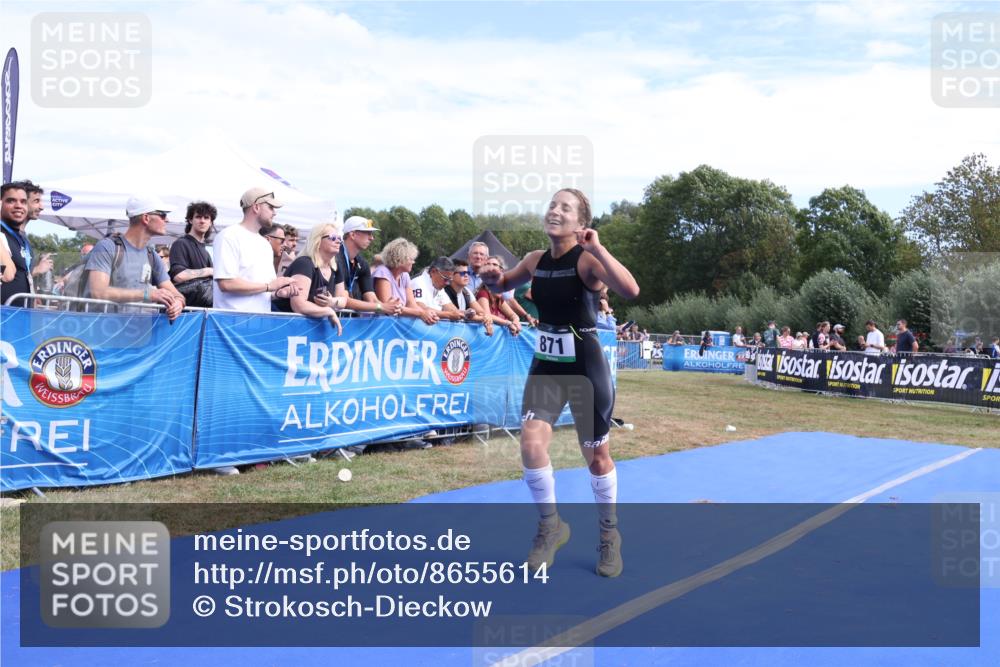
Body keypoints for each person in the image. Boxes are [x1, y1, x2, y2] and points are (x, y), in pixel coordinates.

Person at [479, 188, 639, 578]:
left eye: (565, 208)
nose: (555, 211)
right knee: (531, 445)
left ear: (580, 223)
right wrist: (493, 279)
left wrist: (598, 248)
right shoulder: (535, 260)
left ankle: (609, 534)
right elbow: (502, 285)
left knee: (596, 458)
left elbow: (630, 290)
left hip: (585, 369)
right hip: (547, 366)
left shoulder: (587, 260)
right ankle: (551, 527)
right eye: (552, 204)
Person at [83, 195, 185, 321]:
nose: (167, 220)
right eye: (163, 215)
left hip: (135, 330)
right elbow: (98, 292)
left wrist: (178, 303)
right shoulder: (107, 247)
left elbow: (177, 295)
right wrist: (147, 294)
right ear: (146, 218)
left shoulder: (152, 255)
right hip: (102, 329)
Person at [213, 187, 299, 312]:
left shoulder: (264, 244)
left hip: (260, 319)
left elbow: (265, 290)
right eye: (271, 207)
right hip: (232, 320)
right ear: (256, 207)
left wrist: (279, 293)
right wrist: (269, 287)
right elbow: (226, 284)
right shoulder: (228, 236)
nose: (274, 213)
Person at [274, 222, 346, 334]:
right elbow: (298, 305)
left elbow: (343, 300)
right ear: (317, 241)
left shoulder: (336, 266)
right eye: (332, 237)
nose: (338, 241)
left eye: (339, 238)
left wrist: (332, 301)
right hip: (284, 328)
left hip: (307, 331)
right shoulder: (304, 263)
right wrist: (328, 311)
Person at [334, 216, 401, 316]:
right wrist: (382, 307)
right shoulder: (335, 258)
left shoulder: (362, 263)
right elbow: (344, 299)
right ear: (353, 235)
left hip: (349, 320)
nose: (372, 238)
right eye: (368, 233)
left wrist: (389, 307)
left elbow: (372, 299)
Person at [372, 237, 437, 325]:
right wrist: (421, 313)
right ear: (400, 259)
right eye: (411, 259)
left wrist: (428, 314)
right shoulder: (382, 272)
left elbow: (411, 304)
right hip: (381, 325)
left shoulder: (405, 275)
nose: (413, 262)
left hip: (396, 325)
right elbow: (389, 307)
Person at [169, 201, 216, 307]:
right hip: (183, 310)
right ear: (190, 220)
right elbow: (179, 276)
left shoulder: (205, 251)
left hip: (201, 310)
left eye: (206, 218)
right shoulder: (181, 244)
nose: (202, 221)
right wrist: (208, 271)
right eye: (198, 217)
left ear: (211, 223)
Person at [0, 184, 32, 306]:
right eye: (11, 201)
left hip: (21, 313)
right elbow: (7, 275)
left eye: (23, 202)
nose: (18, 205)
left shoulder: (22, 239)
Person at [444, 258, 494, 334]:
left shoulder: (466, 291)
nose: (466, 275)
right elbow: (457, 314)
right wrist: (481, 318)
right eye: (462, 273)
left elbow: (482, 312)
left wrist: (487, 321)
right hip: (446, 332)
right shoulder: (444, 291)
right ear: (451, 275)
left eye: (467, 272)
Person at [476, 256, 521, 335]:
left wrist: (515, 322)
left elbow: (513, 315)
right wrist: (508, 323)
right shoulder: (483, 293)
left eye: (494, 264)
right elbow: (487, 316)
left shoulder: (499, 298)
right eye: (488, 264)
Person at [411, 256, 464, 321]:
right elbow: (420, 308)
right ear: (433, 271)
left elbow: (450, 308)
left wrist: (464, 314)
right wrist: (449, 315)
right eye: (445, 279)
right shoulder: (418, 283)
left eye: (450, 280)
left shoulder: (437, 285)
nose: (447, 283)